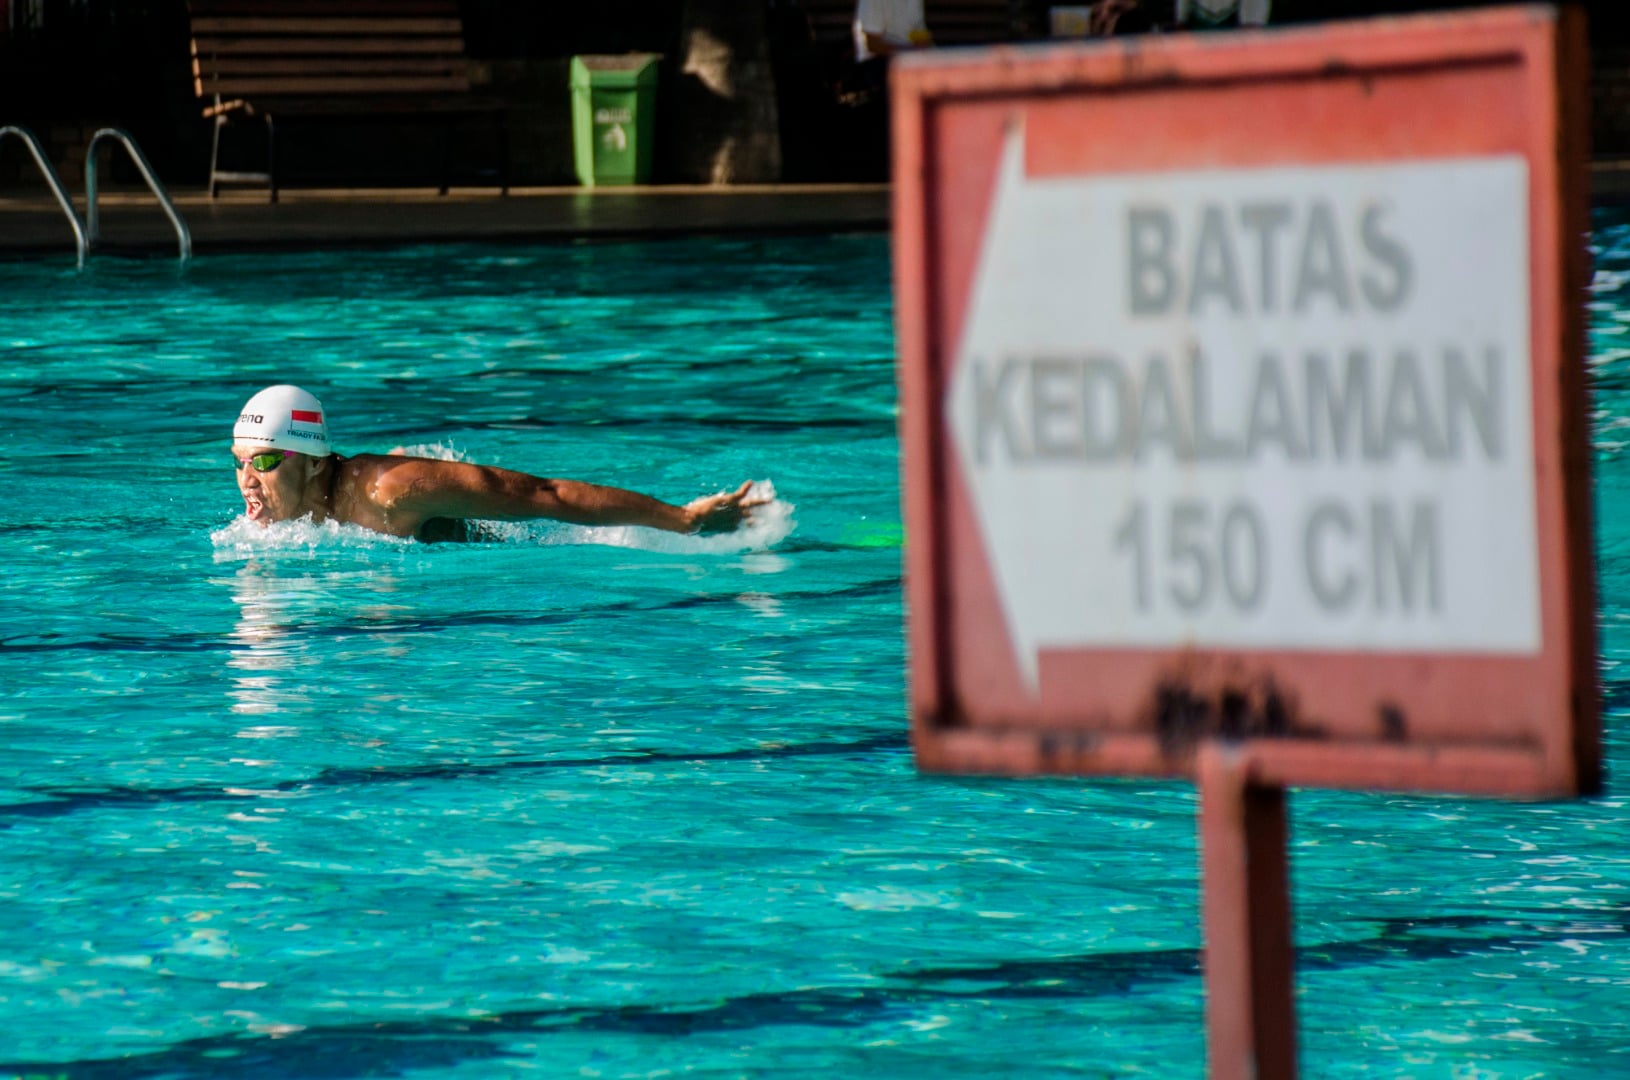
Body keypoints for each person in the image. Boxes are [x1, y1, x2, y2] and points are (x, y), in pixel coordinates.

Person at [230, 385, 766, 542]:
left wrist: (682, 519)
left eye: (267, 461)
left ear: (318, 464)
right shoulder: (265, 523)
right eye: (239, 463)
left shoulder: (391, 493)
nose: (247, 480)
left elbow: (544, 496)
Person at [852, 0, 932, 62]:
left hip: (909, 62)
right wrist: (911, 51)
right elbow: (872, 44)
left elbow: (919, 35)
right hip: (876, 64)